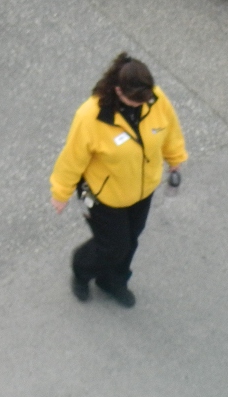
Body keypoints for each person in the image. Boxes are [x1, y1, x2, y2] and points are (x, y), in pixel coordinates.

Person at [50, 53, 187, 307]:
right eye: (132, 101)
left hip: (142, 189)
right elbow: (72, 158)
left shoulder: (153, 98)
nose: (138, 106)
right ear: (117, 90)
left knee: (131, 239)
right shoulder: (90, 117)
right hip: (105, 196)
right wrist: (61, 192)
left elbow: (169, 129)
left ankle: (113, 281)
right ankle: (82, 269)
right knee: (113, 245)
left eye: (143, 101)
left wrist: (175, 158)